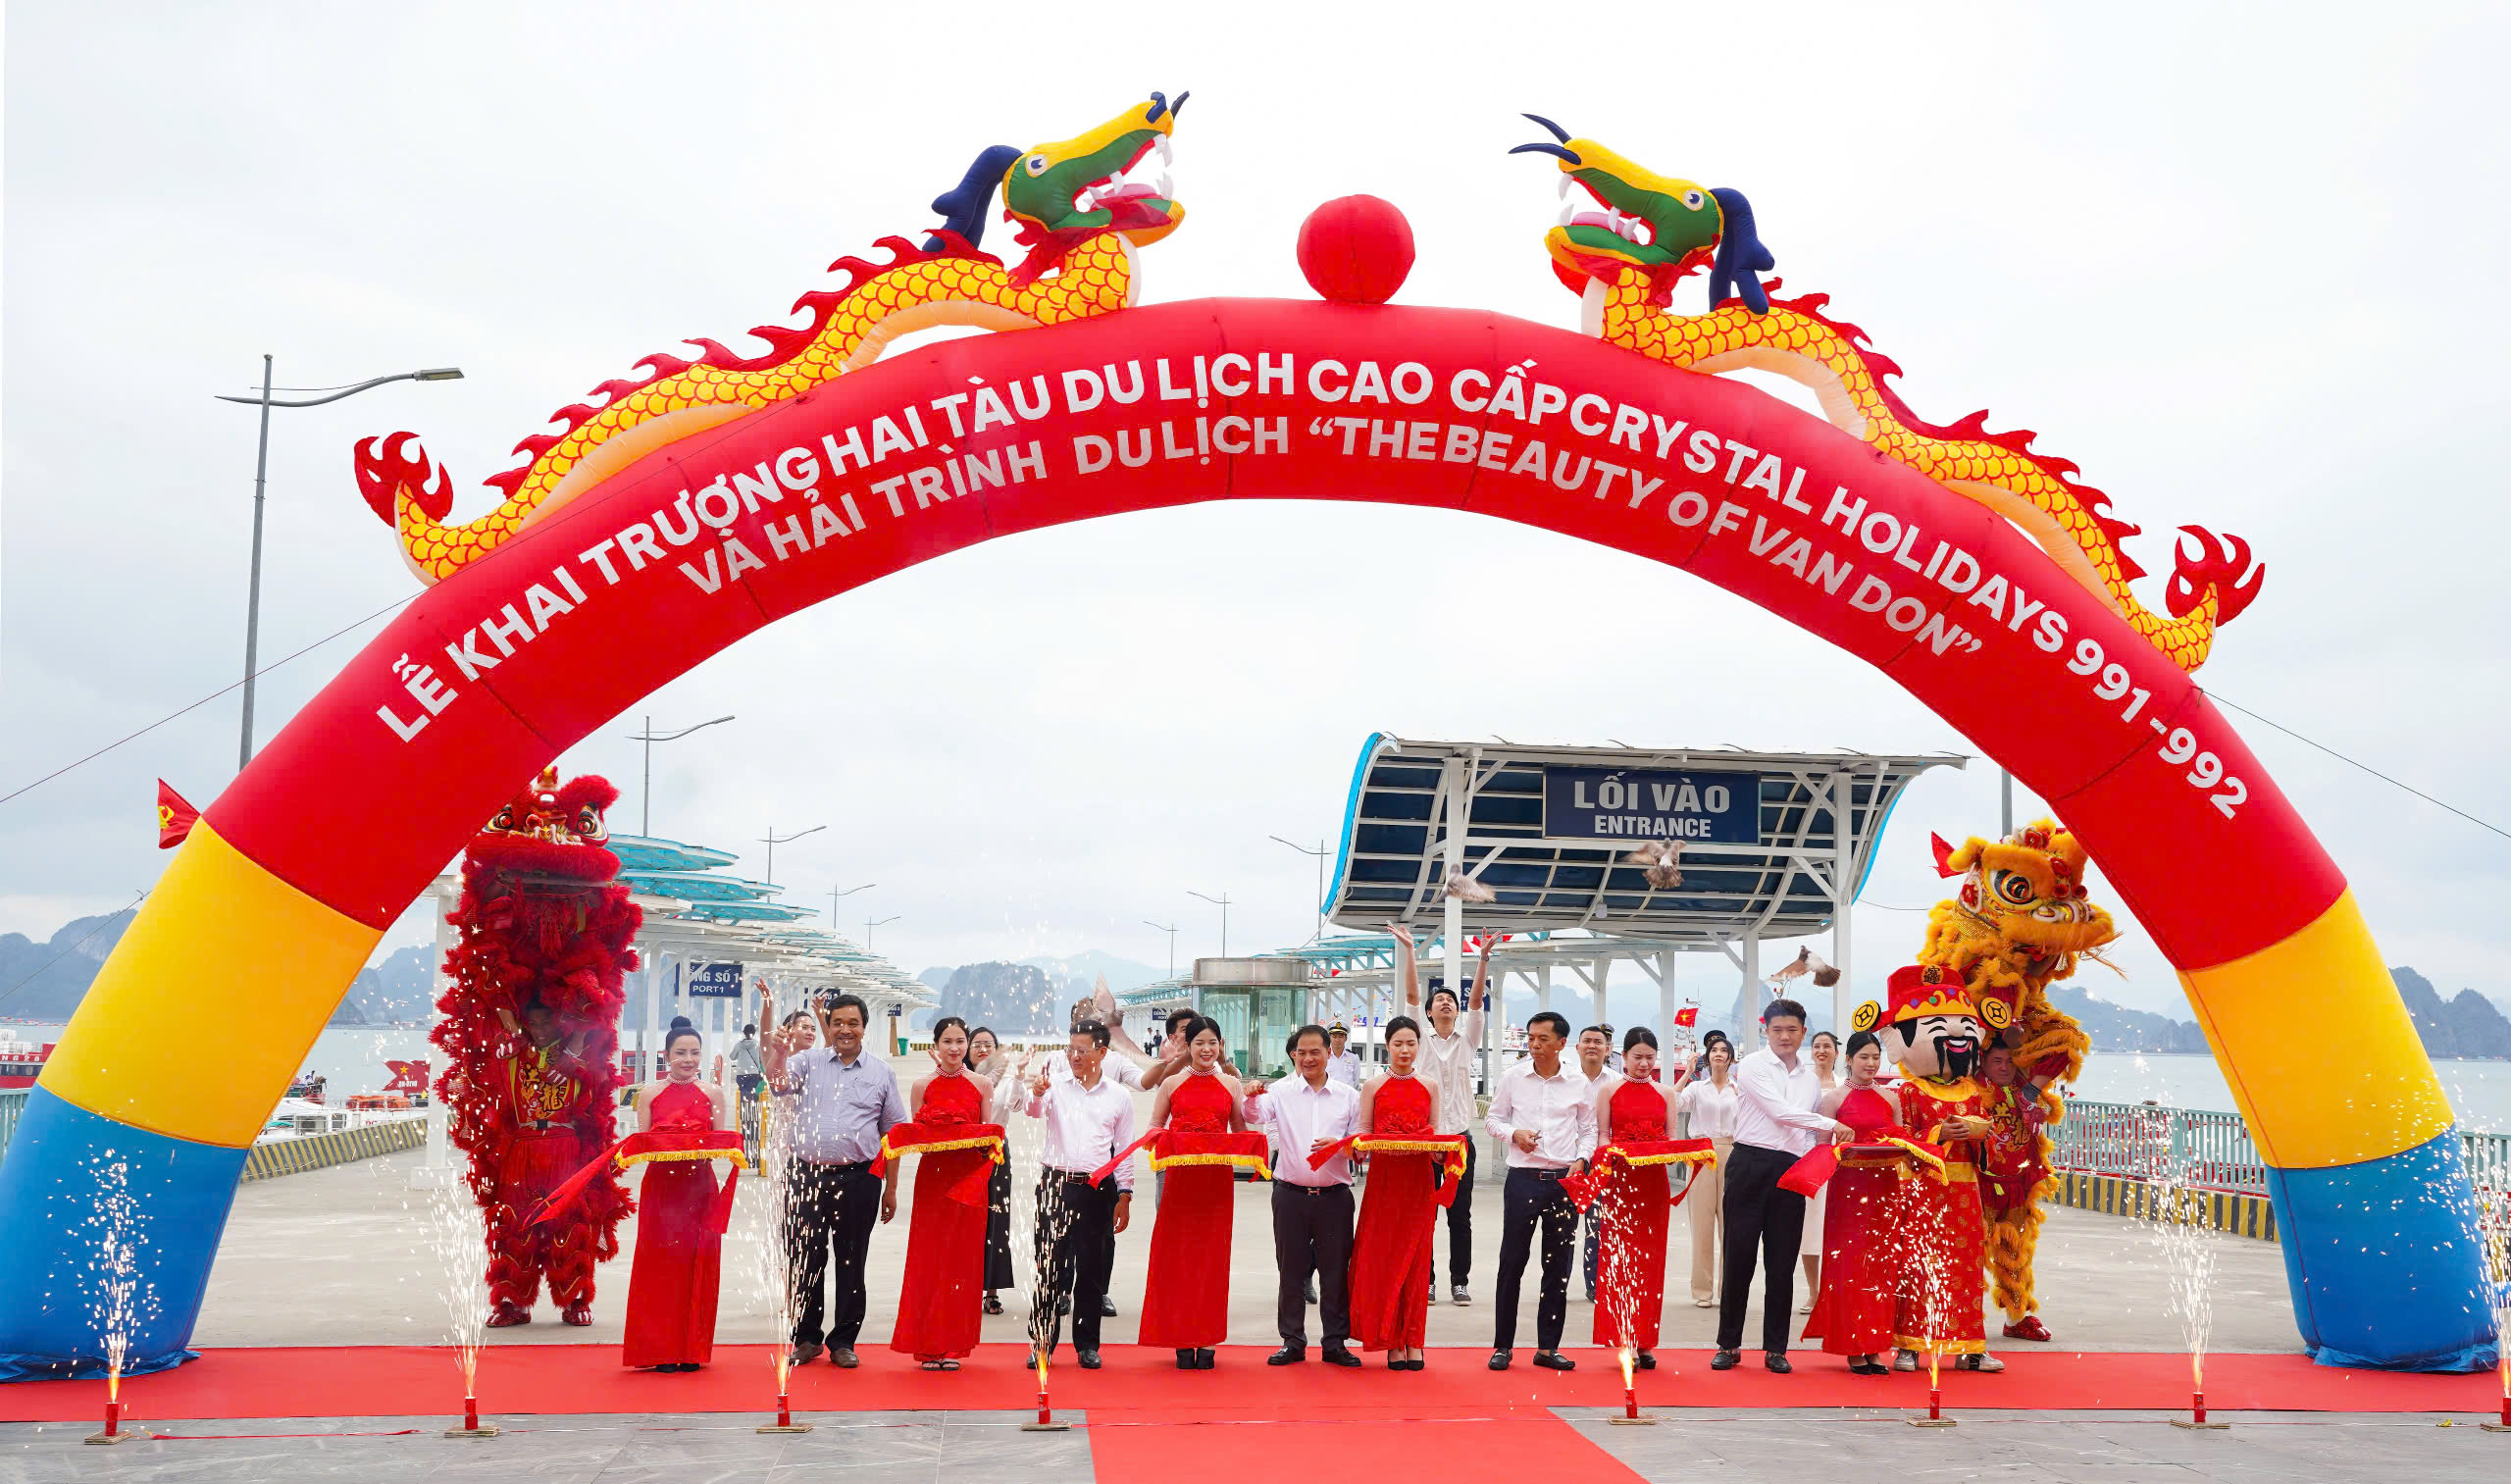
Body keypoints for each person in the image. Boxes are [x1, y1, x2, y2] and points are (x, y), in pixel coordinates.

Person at [760, 988, 906, 1370]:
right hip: (805, 1175)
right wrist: (777, 1050)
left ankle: (843, 1340)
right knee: (804, 1259)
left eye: (852, 1023)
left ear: (863, 1028)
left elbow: (893, 1136)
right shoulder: (808, 1061)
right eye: (838, 1022)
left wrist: (891, 1188)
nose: (845, 1030)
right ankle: (807, 1338)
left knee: (851, 1260)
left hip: (860, 1179)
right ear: (830, 1024)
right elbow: (777, 1085)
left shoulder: (881, 1072)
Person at [1874, 964, 2004, 1373]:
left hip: (1965, 1195)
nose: (1959, 1037)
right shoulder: (1909, 1090)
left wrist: (1981, 1134)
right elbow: (1897, 1140)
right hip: (1923, 1192)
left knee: (1966, 1270)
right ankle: (1910, 1344)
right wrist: (1937, 1133)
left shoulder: (1975, 1092)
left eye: (1966, 1026)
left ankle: (1970, 1345)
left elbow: (1996, 1147)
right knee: (1916, 1265)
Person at [1712, 998, 1848, 1374]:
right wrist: (1830, 1125)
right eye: (1777, 1030)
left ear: (1803, 1031)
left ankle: (1776, 1348)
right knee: (1739, 1257)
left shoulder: (1809, 1079)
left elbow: (1811, 1134)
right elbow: (1780, 1112)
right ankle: (1729, 1343)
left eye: (1792, 1029)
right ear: (1765, 1031)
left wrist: (1825, 1158)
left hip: (1791, 1170)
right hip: (1750, 1163)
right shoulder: (1753, 1065)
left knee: (1782, 1261)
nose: (1785, 1036)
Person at [1130, 1016, 1262, 1368]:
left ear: (1221, 1046)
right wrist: (1166, 1140)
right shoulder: (1171, 1083)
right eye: (1199, 1043)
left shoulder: (1231, 1084)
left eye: (1213, 1043)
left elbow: (1239, 1129)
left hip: (1216, 1184)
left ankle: (1206, 1338)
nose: (1207, 1050)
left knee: (1211, 1261)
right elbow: (1154, 1128)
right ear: (1187, 1047)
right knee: (1179, 1258)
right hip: (1180, 1183)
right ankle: (1181, 1338)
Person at [885, 1017, 1002, 1369]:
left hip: (968, 1181)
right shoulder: (922, 1085)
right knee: (929, 1258)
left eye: (960, 1041)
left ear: (967, 1046)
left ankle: (954, 1344)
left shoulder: (981, 1084)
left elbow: (987, 1139)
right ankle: (926, 1344)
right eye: (947, 1041)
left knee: (962, 1261)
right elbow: (917, 1135)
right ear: (935, 1045)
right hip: (933, 1180)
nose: (954, 1048)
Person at [1243, 1024, 1363, 1366]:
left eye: (1316, 1051)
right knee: (1290, 1271)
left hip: (1335, 1196)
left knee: (1335, 1271)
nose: (1308, 1058)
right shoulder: (1279, 1091)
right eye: (1302, 1052)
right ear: (1294, 1054)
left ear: (1329, 1053)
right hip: (1290, 1194)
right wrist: (1251, 1094)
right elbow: (1255, 1115)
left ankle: (1335, 1342)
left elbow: (1360, 1147)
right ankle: (1292, 1341)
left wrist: (1341, 1147)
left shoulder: (1348, 1096)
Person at [621, 1018, 738, 1370]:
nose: (688, 1059)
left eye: (694, 1053)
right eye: (680, 1053)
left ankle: (692, 1350)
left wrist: (696, 1145)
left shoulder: (713, 1093)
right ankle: (660, 1350)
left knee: (696, 1264)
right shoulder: (649, 1094)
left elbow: (720, 1142)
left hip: (699, 1188)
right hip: (661, 1189)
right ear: (666, 1055)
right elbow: (641, 1144)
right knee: (660, 1266)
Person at [1483, 1009, 1596, 1372]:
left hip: (1564, 1181)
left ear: (1562, 1043)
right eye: (1530, 1038)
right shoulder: (1514, 1077)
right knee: (1511, 1263)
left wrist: (1582, 1158)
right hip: (1523, 1180)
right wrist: (1513, 1134)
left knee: (1557, 1266)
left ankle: (1548, 1348)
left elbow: (1589, 1130)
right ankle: (1503, 1346)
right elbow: (1492, 1118)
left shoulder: (1578, 1082)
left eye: (1542, 1039)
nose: (1534, 1044)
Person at [1021, 1020, 1135, 1370]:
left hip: (1097, 1189)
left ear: (1102, 1052)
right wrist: (1037, 1091)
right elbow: (1031, 1109)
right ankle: (1042, 1344)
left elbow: (1125, 1150)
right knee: (1049, 1268)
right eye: (1071, 1049)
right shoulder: (1055, 1086)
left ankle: (1087, 1345)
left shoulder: (1119, 1096)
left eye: (1082, 1050)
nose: (1074, 1056)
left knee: (1091, 1269)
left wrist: (1125, 1195)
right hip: (1056, 1185)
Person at [1344, 1014, 1455, 1368]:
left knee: (1418, 1261)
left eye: (1411, 1043)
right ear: (1387, 1046)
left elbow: (1436, 1138)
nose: (1404, 1050)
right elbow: (1363, 1135)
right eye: (1398, 1043)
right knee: (1384, 1260)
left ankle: (1414, 1339)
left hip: (1419, 1183)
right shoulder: (1373, 1086)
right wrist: (1356, 1149)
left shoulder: (1430, 1086)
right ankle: (1391, 1339)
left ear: (1418, 1046)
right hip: (1383, 1182)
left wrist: (1446, 1152)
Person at [1801, 1030, 1911, 1374]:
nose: (1871, 1063)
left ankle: (1875, 1345)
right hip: (1847, 1189)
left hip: (1885, 1189)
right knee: (1849, 1267)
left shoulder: (1891, 1099)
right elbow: (1821, 1148)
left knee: (1879, 1267)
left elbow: (1902, 1141)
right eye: (1863, 1057)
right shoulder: (1833, 1099)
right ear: (1848, 1060)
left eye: (1875, 1057)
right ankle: (1851, 1344)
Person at [1591, 1028, 1700, 1369]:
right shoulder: (1608, 1091)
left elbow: (1670, 1140)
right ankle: (1624, 1337)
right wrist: (1614, 1155)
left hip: (1653, 1184)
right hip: (1620, 1184)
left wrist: (1662, 1154)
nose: (1643, 1063)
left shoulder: (1666, 1093)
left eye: (1649, 1058)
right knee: (1620, 1262)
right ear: (1623, 1057)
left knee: (1651, 1264)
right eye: (1637, 1057)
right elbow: (1603, 1137)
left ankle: (1645, 1338)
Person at [1399, 924, 1491, 1306]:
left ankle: (1459, 1280)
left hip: (1459, 1141)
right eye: (1440, 1001)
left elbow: (1476, 1006)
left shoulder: (1468, 1041)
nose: (1447, 1003)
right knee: (1424, 1215)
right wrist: (1409, 953)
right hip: (1425, 1141)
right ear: (1430, 1012)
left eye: (1451, 1000)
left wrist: (1483, 958)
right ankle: (1428, 1278)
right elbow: (1411, 995)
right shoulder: (1420, 1039)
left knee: (1460, 1215)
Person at [1977, 1042, 2057, 1344]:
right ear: (1982, 1062)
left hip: (2017, 1185)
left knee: (2016, 1254)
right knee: (1972, 1254)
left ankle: (2016, 1318)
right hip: (1980, 1184)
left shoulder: (2025, 1088)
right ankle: (1964, 1317)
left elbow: (2062, 1050)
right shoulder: (1972, 1091)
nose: (2004, 1067)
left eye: (2010, 1061)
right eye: (1997, 1060)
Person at [1675, 1037, 1739, 1307]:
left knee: (1731, 1225)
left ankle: (1729, 1289)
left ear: (1731, 1059)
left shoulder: (1740, 1089)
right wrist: (1688, 1071)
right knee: (1702, 1225)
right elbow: (1673, 1103)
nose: (1719, 1054)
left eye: (1724, 1051)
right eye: (1714, 1050)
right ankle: (1702, 1291)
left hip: (1732, 1151)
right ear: (1707, 1057)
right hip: (1701, 1153)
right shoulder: (1697, 1089)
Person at [967, 1026, 1018, 1315]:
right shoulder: (956, 1078)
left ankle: (991, 1290)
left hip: (996, 1153)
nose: (983, 1049)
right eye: (977, 1044)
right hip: (963, 1154)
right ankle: (962, 1286)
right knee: (965, 1221)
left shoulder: (1006, 1081)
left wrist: (1021, 1077)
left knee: (996, 1220)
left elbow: (1018, 1104)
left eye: (989, 1044)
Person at [1798, 1029, 1842, 1313]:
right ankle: (1814, 1291)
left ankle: (1833, 1291)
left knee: (1836, 1230)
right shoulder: (1804, 1083)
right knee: (1809, 1230)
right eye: (1816, 1046)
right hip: (1810, 1159)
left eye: (1827, 1046)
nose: (1821, 1050)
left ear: (1837, 1053)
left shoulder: (1844, 1086)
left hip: (1840, 1161)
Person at [1575, 1025, 1614, 1302]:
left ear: (1607, 1049)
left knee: (1597, 1227)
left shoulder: (1616, 1083)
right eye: (1586, 1041)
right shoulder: (1565, 1078)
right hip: (1570, 1162)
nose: (1592, 1046)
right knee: (1562, 1228)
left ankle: (1595, 1284)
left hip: (1602, 1164)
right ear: (1576, 1047)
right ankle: (1557, 1283)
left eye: (1598, 1042)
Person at [731, 1019, 766, 1159]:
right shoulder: (757, 1044)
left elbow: (732, 1056)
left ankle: (744, 1114)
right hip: (753, 1074)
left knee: (743, 1094)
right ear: (754, 1032)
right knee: (752, 1094)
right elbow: (762, 1058)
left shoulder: (739, 1045)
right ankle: (753, 1113)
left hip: (741, 1075)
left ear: (744, 1033)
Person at [1324, 1024, 1363, 1088]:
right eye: (1334, 1037)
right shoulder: (1324, 1056)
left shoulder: (1353, 1057)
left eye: (1340, 1037)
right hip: (1328, 1095)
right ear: (1329, 1038)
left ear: (1345, 1038)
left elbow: (1355, 1080)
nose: (1337, 1039)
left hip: (1347, 1096)